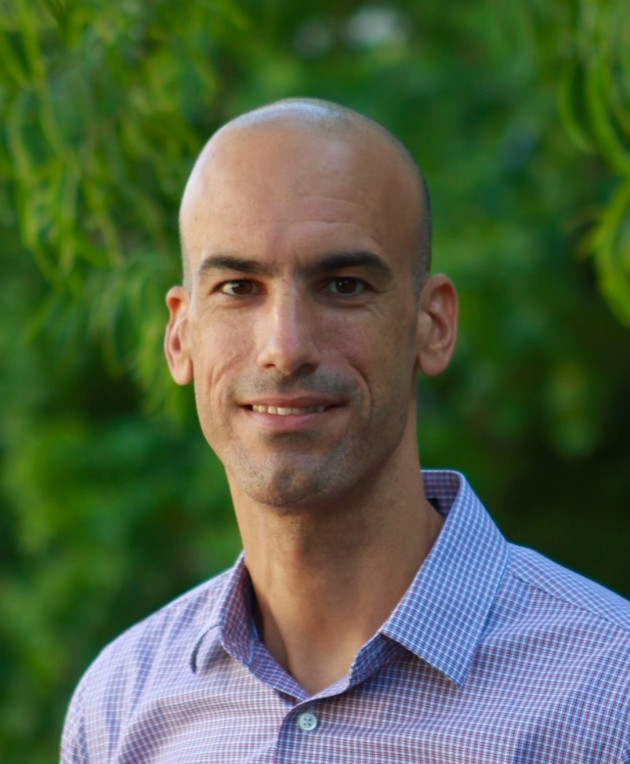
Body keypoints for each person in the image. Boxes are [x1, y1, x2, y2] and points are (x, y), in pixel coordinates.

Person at [61, 98, 630, 763]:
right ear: (181, 336)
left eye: (344, 285)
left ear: (434, 324)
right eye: (240, 288)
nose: (285, 346)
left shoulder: (606, 694)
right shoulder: (120, 706)